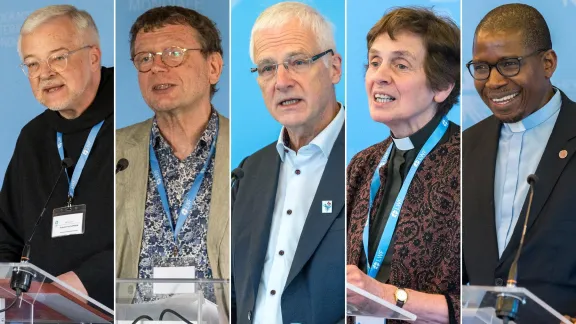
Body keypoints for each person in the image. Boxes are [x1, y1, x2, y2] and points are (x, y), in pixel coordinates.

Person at [231, 2, 344, 323]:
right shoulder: (249, 171)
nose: (281, 81)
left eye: (297, 61)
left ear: (334, 67)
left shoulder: (367, 160)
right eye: (267, 68)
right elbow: (237, 290)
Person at [115, 5, 229, 321]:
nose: (157, 68)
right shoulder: (113, 153)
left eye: (173, 53)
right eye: (145, 58)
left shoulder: (249, 152)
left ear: (213, 67)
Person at [346, 7, 460, 324]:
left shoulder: (470, 164)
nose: (380, 75)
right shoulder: (362, 164)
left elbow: (488, 303)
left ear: (443, 86)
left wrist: (389, 299)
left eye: (400, 64)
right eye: (374, 62)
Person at [463, 3, 576, 322]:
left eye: (509, 64)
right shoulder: (464, 147)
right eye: (481, 68)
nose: (493, 82)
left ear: (548, 63)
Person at [0, 5, 113, 308]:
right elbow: (6, 236)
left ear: (93, 57)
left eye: (58, 57)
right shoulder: (32, 138)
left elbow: (156, 232)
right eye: (32, 64)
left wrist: (87, 281)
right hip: (38, 312)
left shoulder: (136, 115)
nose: (45, 74)